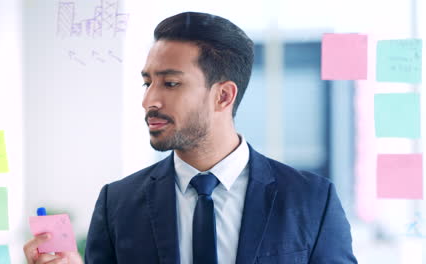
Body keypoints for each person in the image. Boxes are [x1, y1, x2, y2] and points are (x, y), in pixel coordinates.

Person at [24, 11, 357, 264]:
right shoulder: (117, 204)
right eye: (147, 82)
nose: (149, 101)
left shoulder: (311, 200)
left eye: (170, 84)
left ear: (223, 96)